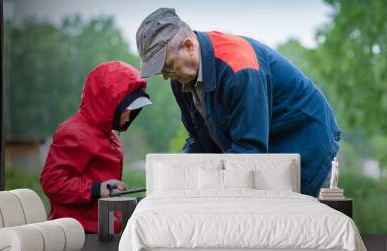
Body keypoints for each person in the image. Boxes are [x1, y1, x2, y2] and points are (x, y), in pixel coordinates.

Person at [136, 8, 340, 197]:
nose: (166, 77)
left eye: (169, 67)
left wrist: (210, 182)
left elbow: (250, 152)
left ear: (189, 46)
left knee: (296, 226)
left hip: (306, 143)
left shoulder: (240, 67)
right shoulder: (180, 79)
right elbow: (200, 140)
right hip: (261, 151)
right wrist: (178, 173)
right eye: (162, 72)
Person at [40, 61, 152, 233]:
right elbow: (52, 182)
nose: (129, 117)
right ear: (109, 102)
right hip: (77, 233)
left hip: (100, 228)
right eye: (128, 109)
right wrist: (96, 188)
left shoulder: (106, 133)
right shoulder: (74, 133)